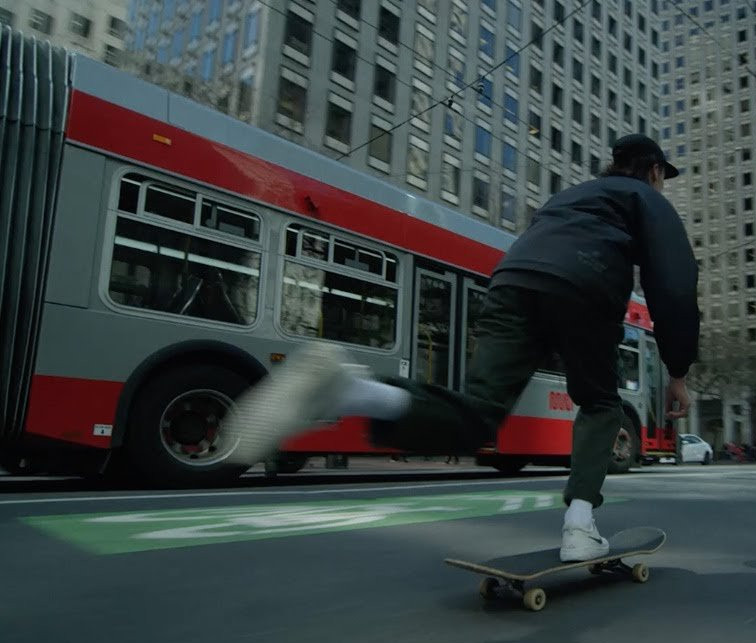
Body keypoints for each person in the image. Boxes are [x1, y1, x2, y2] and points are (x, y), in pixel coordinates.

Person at [223, 134, 700, 562]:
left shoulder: (570, 196)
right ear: (655, 171)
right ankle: (579, 526)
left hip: (512, 281)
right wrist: (677, 370)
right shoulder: (645, 198)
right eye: (662, 178)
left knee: (479, 415)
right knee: (600, 402)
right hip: (586, 286)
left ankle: (350, 391)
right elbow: (674, 283)